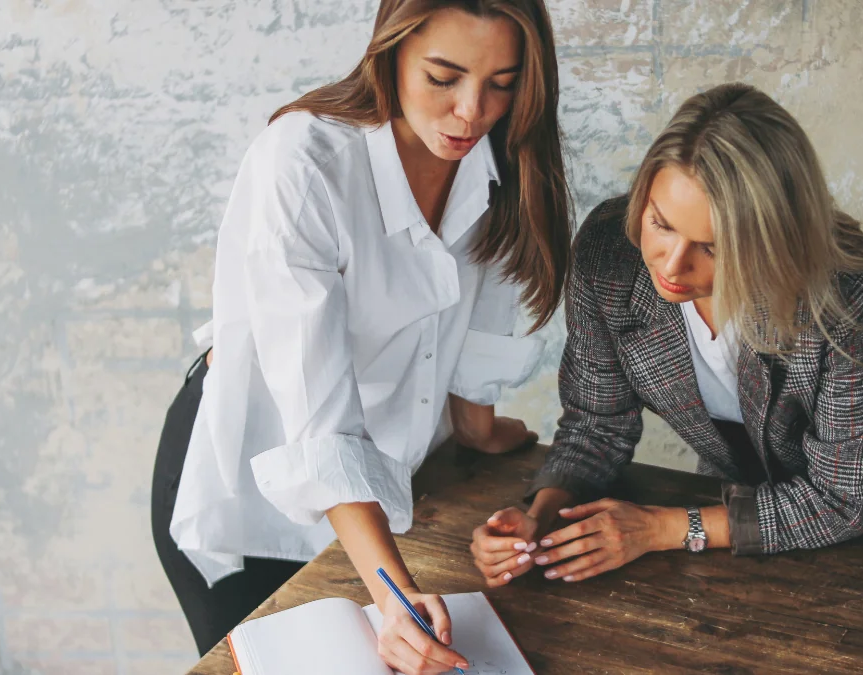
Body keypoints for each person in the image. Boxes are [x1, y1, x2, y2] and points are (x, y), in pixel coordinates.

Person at [150, 0, 570, 671]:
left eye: (502, 82)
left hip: (391, 484)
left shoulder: (502, 157)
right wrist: (396, 592)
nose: (472, 111)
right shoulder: (304, 162)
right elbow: (320, 424)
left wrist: (481, 432)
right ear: (391, 49)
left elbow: (470, 324)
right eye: (444, 77)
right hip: (257, 477)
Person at [471, 82, 863, 588]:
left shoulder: (848, 303)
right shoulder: (609, 254)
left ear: (769, 242)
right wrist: (537, 519)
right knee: (749, 512)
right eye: (661, 224)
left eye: (713, 246)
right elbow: (596, 424)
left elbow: (843, 502)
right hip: (774, 415)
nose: (672, 266)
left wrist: (660, 528)